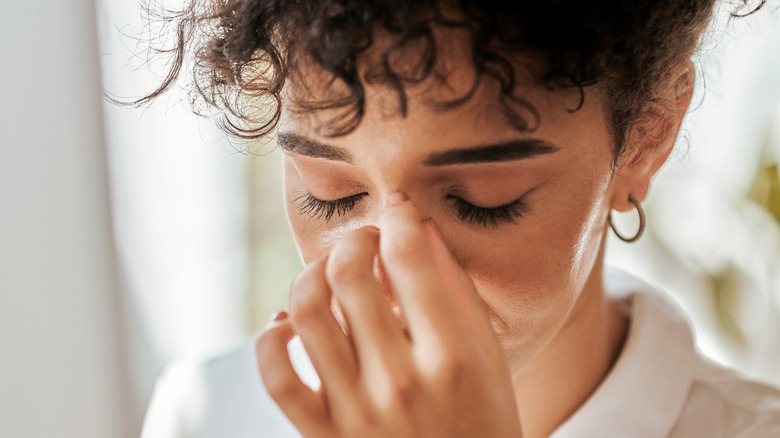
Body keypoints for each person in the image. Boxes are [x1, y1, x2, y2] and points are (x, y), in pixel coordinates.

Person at [135, 0, 780, 437]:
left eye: (480, 199)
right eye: (327, 192)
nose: (385, 267)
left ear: (646, 136)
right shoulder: (209, 413)